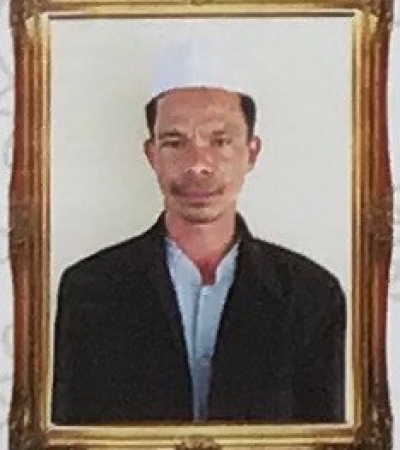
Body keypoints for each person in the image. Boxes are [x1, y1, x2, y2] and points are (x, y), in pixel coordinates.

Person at [51, 39, 346, 425]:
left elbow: (326, 440)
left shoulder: (311, 295)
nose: (198, 164)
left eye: (220, 141)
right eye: (175, 143)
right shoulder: (90, 289)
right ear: (152, 155)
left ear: (252, 152)